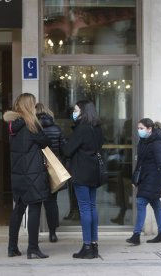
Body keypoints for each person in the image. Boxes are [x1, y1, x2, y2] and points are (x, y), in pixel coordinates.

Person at [3, 93, 50, 259]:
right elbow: (44, 142)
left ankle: (12, 247)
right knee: (35, 210)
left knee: (18, 210)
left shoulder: (13, 126)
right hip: (34, 174)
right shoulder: (32, 125)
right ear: (30, 105)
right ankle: (33, 248)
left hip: (18, 175)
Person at [62, 100, 103, 259]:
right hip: (93, 172)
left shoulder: (81, 129)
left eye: (76, 110)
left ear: (84, 112)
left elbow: (68, 150)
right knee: (92, 207)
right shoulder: (97, 128)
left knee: (84, 209)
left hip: (81, 172)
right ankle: (94, 245)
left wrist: (64, 141)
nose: (74, 112)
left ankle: (86, 246)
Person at [126, 118, 161, 245]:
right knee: (156, 205)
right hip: (145, 178)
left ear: (149, 129)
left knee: (140, 203)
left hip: (153, 179)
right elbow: (139, 162)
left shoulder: (156, 143)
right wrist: (135, 179)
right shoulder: (144, 141)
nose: (139, 131)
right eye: (138, 128)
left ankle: (136, 235)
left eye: (141, 128)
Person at [35, 102, 66, 243]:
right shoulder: (57, 129)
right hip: (53, 168)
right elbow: (63, 148)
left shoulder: (34, 128)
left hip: (37, 168)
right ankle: (52, 233)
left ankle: (34, 234)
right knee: (52, 202)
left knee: (35, 202)